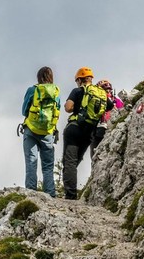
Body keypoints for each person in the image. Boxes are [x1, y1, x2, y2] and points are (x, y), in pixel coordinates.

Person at [62, 67, 114, 200]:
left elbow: (68, 108)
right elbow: (109, 106)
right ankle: (72, 190)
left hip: (74, 128)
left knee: (70, 162)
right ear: (91, 78)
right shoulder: (101, 93)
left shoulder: (78, 91)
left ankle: (71, 195)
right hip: (89, 132)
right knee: (77, 159)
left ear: (79, 80)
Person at [21, 66, 60, 198]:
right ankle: (50, 193)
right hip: (48, 132)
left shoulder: (33, 90)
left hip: (31, 130)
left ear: (38, 77)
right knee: (48, 166)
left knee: (31, 162)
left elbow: (24, 110)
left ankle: (31, 192)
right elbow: (57, 109)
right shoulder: (55, 92)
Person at [90, 79, 124, 159]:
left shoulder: (96, 99)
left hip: (100, 129)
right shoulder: (116, 100)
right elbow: (122, 110)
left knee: (95, 155)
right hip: (112, 128)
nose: (107, 92)